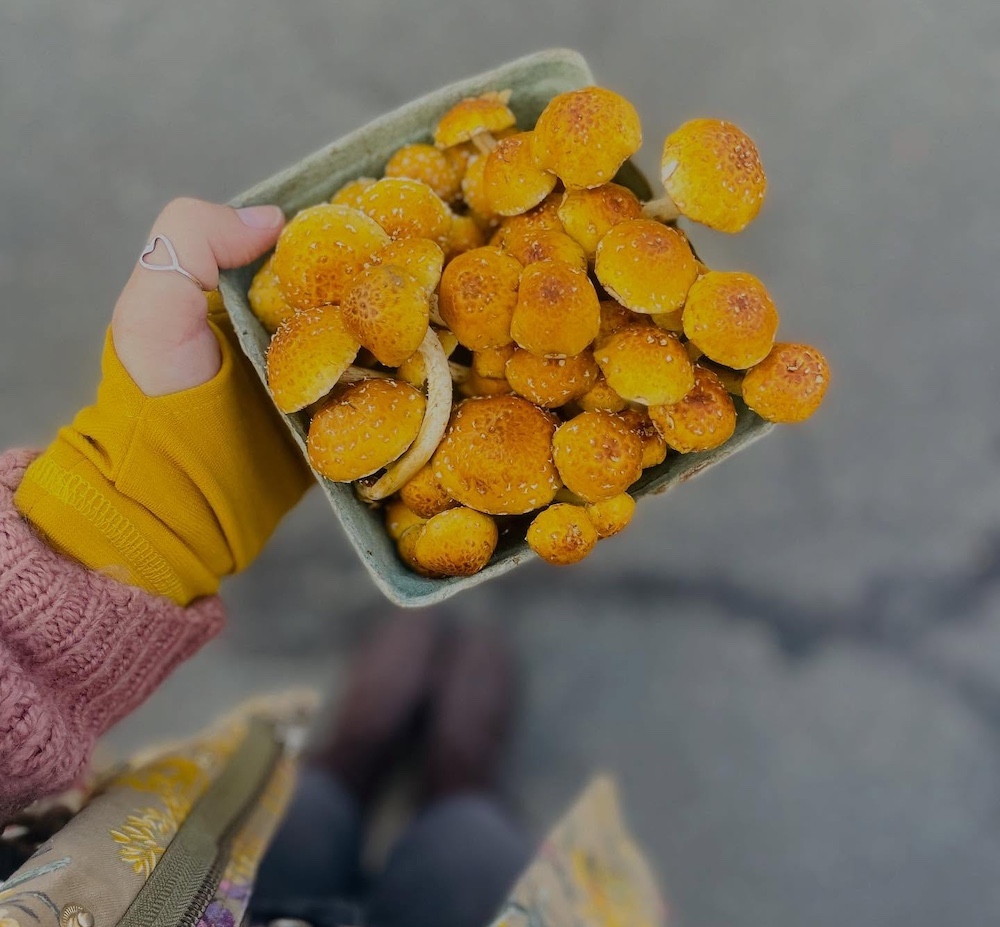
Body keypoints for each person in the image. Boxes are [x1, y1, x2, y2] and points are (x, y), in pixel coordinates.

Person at [0, 198, 529, 927]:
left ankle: (362, 746)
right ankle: (458, 772)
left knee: (305, 805)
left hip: (170, 875)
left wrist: (152, 507)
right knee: (474, 845)